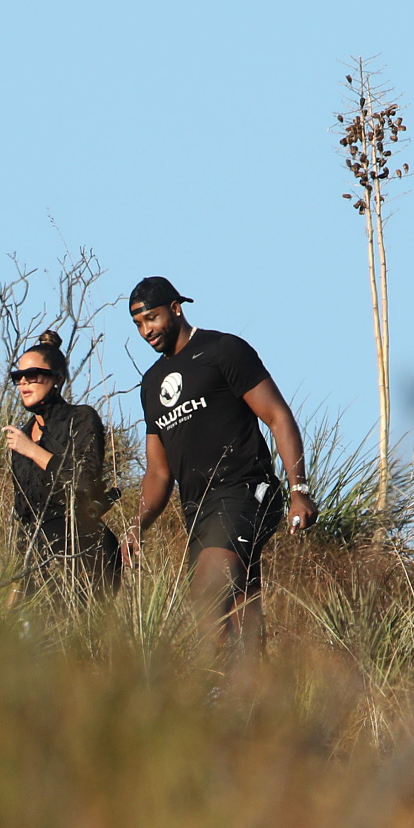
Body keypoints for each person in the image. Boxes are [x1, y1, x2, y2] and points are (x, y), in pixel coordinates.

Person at [122, 276, 318, 655]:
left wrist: (299, 490)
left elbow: (277, 416)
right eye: (138, 325)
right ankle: (253, 704)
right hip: (197, 511)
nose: (146, 331)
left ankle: (210, 695)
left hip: (245, 491)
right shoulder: (151, 384)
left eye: (152, 318)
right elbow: (158, 472)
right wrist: (135, 528)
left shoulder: (223, 350)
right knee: (242, 613)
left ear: (176, 308)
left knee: (207, 597)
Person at [3, 330, 122, 598]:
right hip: (39, 558)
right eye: (18, 377)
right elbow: (23, 514)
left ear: (57, 379)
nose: (24, 383)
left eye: (33, 375)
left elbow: (85, 483)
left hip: (85, 552)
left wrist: (33, 451)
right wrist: (16, 584)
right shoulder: (21, 438)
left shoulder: (80, 419)